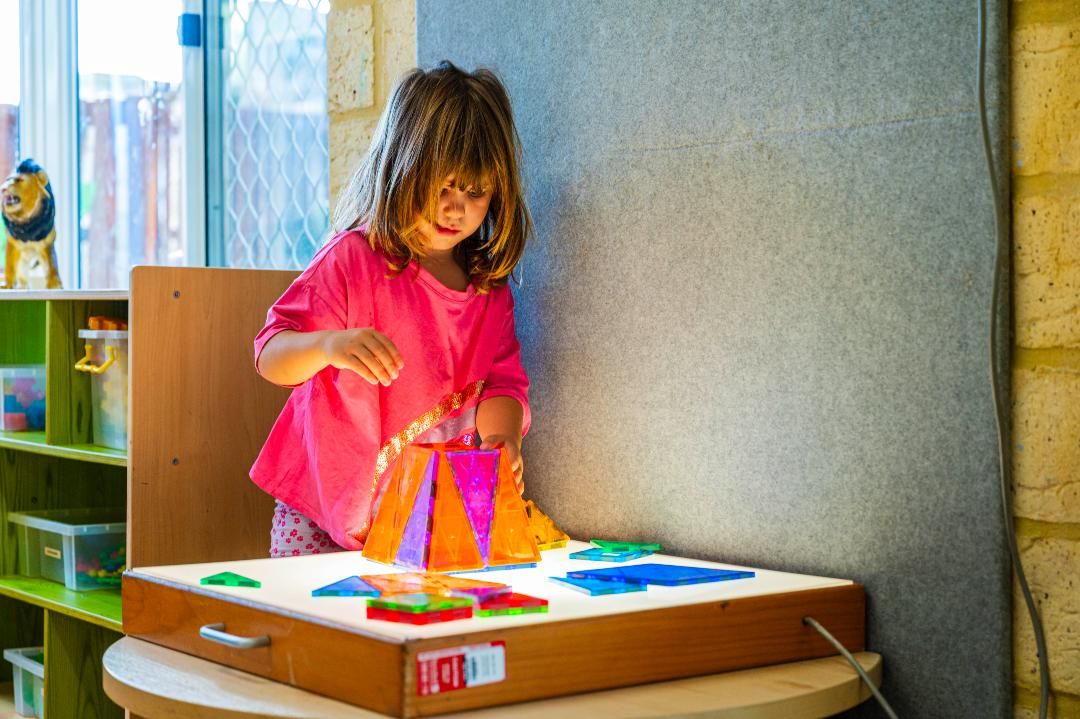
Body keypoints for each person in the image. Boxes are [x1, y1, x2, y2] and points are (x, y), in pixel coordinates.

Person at [251, 61, 533, 557]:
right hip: (320, 514)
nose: (455, 208)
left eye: (475, 191)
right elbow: (270, 355)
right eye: (442, 185)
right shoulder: (353, 259)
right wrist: (328, 346)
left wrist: (501, 439)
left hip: (417, 524)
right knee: (309, 610)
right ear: (403, 167)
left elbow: (502, 384)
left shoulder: (490, 292)